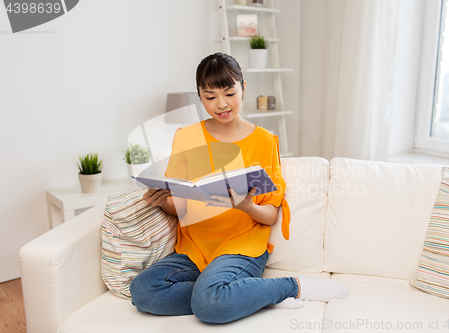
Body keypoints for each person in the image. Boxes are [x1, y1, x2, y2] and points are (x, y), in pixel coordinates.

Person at [129, 52, 348, 324]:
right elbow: (181, 205)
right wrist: (162, 200)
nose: (221, 104)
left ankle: (289, 287)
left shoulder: (264, 141)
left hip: (241, 246)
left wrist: (246, 206)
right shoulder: (185, 137)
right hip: (194, 249)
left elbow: (270, 214)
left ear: (243, 88)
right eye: (210, 97)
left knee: (209, 304)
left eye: (229, 93)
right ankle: (244, 297)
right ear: (200, 96)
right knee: (142, 291)